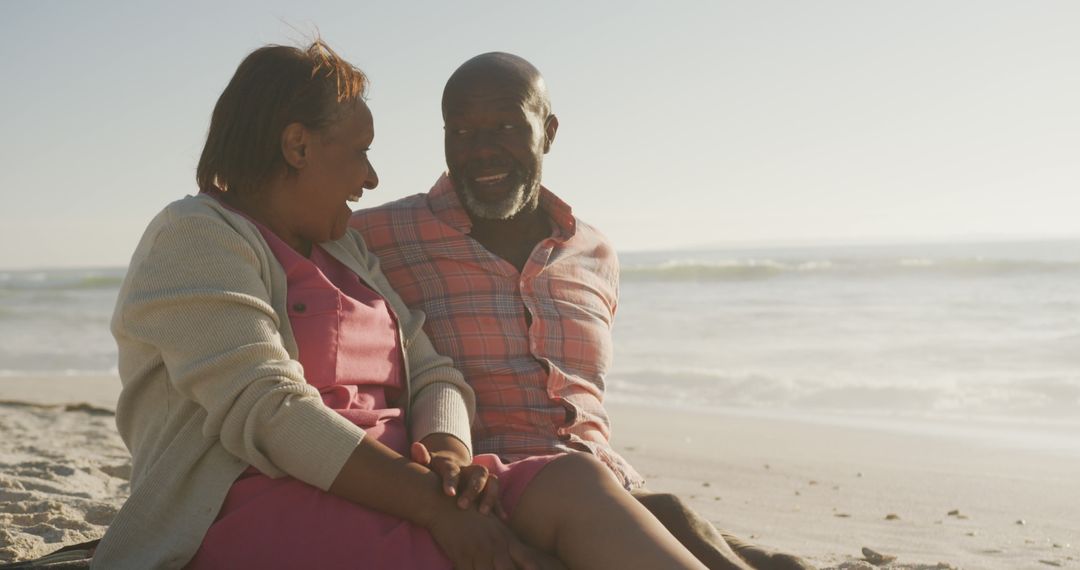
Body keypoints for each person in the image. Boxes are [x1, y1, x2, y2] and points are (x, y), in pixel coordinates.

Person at [93, 40, 708, 570]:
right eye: (360, 151)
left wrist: (447, 455)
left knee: (579, 486)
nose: (371, 180)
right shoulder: (196, 235)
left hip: (405, 483)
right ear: (297, 147)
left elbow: (434, 371)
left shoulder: (346, 249)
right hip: (261, 494)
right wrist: (431, 507)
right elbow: (270, 410)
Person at [351, 52, 815, 570]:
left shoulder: (594, 252)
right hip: (483, 490)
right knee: (683, 522)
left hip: (604, 488)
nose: (480, 150)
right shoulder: (374, 238)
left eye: (505, 126)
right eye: (460, 132)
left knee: (744, 549)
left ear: (547, 132)